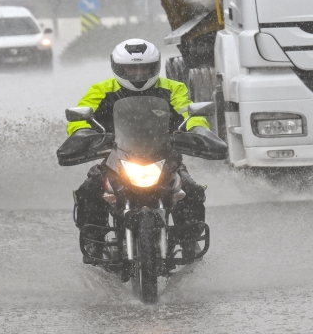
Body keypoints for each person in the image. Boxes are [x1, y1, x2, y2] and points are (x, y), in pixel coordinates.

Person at [66, 38, 211, 259]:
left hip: (165, 156)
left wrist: (197, 131)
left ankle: (189, 241)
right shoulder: (101, 90)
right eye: (131, 68)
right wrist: (83, 134)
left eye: (144, 67)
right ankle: (95, 241)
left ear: (155, 66)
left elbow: (188, 114)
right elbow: (81, 118)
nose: (138, 73)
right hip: (116, 156)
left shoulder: (173, 88)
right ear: (118, 67)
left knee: (190, 190)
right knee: (89, 191)